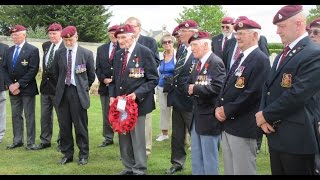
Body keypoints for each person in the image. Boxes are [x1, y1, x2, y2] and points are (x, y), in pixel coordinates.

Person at [256, 5, 320, 175]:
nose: (277, 31)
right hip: (276, 133)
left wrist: (266, 115)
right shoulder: (283, 54)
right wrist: (263, 113)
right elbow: (267, 86)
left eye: (281, 26)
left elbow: (298, 94)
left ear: (298, 24)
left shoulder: (314, 53)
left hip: (297, 138)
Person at [215, 19, 270, 175]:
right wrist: (219, 106)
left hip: (244, 125)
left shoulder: (260, 59)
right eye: (236, 33)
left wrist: (227, 110)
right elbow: (228, 85)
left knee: (243, 169)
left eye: (241, 34)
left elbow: (253, 94)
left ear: (254, 35)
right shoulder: (242, 57)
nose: (237, 37)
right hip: (229, 124)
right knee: (230, 169)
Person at [109, 24, 158, 175]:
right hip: (121, 104)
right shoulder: (119, 54)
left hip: (138, 104)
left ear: (132, 36)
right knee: (123, 134)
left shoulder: (144, 52)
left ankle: (139, 168)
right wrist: (112, 96)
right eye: (118, 38)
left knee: (137, 138)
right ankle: (128, 166)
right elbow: (115, 80)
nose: (120, 40)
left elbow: (153, 79)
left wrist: (137, 94)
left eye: (123, 37)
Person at [53, 26, 95, 165]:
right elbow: (55, 73)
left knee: (80, 126)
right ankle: (67, 154)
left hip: (78, 94)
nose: (68, 43)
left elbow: (90, 75)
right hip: (63, 93)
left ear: (76, 37)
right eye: (66, 40)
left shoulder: (86, 54)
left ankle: (83, 154)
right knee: (64, 126)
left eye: (70, 40)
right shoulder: (59, 53)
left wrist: (83, 88)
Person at [187, 31, 226, 175]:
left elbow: (218, 88)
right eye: (191, 45)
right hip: (197, 117)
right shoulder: (198, 63)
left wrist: (195, 89)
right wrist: (190, 88)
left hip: (209, 118)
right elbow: (188, 83)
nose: (192, 48)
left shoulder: (215, 62)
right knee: (197, 156)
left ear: (205, 45)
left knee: (209, 158)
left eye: (194, 45)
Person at [165, 20, 198, 175]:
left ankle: (199, 165)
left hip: (192, 100)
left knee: (196, 135)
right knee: (177, 135)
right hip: (177, 98)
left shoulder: (199, 50)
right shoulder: (182, 50)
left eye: (183, 32)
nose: (179, 35)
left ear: (193, 32)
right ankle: (177, 162)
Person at [125, 17, 160, 156]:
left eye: (133, 26)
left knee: (144, 121)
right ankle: (131, 149)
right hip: (127, 89)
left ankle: (146, 149)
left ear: (139, 27)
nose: (130, 29)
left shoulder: (149, 42)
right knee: (127, 119)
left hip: (144, 86)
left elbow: (155, 61)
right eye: (128, 26)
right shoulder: (123, 41)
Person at [2, 25, 40, 150]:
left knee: (29, 115)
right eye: (12, 35)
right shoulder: (9, 50)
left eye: (16, 35)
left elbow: (33, 70)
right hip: (13, 89)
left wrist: (19, 84)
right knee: (15, 115)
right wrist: (10, 85)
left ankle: (30, 142)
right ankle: (17, 140)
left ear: (24, 35)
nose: (14, 37)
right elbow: (3, 68)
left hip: (27, 89)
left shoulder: (32, 50)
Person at [36, 23, 64, 150]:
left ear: (61, 33)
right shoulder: (46, 45)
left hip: (58, 88)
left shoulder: (65, 46)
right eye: (50, 33)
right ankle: (45, 140)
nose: (52, 36)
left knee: (62, 117)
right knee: (45, 116)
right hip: (45, 87)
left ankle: (62, 141)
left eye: (55, 33)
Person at [96, 24, 120, 147]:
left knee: (121, 112)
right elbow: (98, 68)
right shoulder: (101, 49)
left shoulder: (123, 48)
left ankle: (123, 136)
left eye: (115, 32)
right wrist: (103, 79)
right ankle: (108, 137)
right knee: (106, 113)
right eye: (110, 32)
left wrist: (115, 80)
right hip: (105, 87)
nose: (113, 34)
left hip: (119, 88)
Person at [156, 34, 176, 142]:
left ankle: (179, 133)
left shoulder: (178, 55)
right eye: (164, 42)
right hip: (162, 86)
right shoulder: (160, 56)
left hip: (174, 87)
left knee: (178, 111)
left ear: (173, 43)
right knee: (164, 110)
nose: (167, 44)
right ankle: (164, 133)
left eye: (169, 41)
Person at [0, 42, 9, 143]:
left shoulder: (4, 48)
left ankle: (0, 135)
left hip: (0, 85)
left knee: (1, 112)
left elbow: (6, 67)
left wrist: (6, 83)